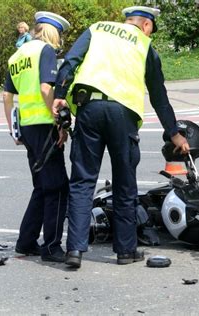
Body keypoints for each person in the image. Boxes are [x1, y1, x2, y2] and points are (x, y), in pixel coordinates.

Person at [53, 5, 190, 268]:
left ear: (127, 20)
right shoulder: (145, 46)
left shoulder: (97, 29)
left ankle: (74, 250)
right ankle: (126, 250)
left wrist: (60, 93)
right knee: (124, 183)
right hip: (123, 115)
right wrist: (174, 134)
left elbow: (71, 61)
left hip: (89, 109)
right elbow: (159, 96)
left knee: (82, 181)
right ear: (147, 26)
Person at [3, 12, 70, 262]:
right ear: (53, 32)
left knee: (41, 186)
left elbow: (7, 97)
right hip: (45, 126)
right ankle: (52, 247)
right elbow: (45, 88)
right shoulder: (45, 51)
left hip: (28, 128)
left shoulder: (17, 55)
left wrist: (13, 129)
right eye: (59, 35)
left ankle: (26, 241)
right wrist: (58, 120)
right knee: (57, 187)